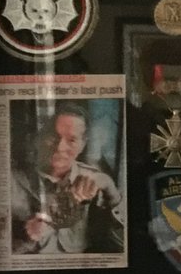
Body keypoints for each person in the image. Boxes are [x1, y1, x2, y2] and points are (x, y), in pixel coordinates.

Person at [10, 104, 124, 254]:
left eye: (72, 140)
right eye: (54, 137)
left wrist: (110, 188)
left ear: (83, 145)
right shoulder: (11, 180)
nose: (60, 147)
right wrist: (25, 234)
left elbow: (122, 241)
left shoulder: (95, 178)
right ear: (41, 137)